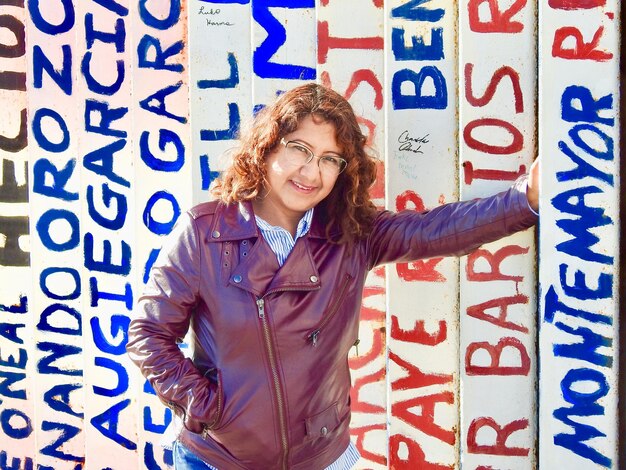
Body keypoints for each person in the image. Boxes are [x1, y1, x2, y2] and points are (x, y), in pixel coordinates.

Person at [126, 83, 539, 469]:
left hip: (321, 454)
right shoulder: (205, 232)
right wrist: (206, 407)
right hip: (218, 458)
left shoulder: (351, 234)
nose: (310, 172)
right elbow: (148, 333)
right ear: (266, 149)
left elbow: (434, 231)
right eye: (298, 149)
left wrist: (525, 199)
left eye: (329, 159)